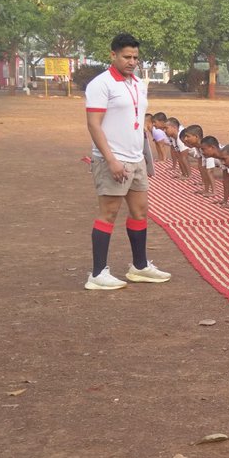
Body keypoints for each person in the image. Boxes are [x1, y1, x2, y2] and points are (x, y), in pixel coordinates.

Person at [82, 33, 172, 290]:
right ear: (113, 55)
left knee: (140, 211)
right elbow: (93, 125)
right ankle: (98, 273)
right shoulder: (101, 84)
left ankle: (139, 267)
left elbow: (137, 119)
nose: (132, 62)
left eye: (135, 57)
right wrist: (110, 160)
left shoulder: (138, 83)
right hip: (112, 159)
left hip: (136, 158)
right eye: (126, 57)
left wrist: (145, 155)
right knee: (109, 213)